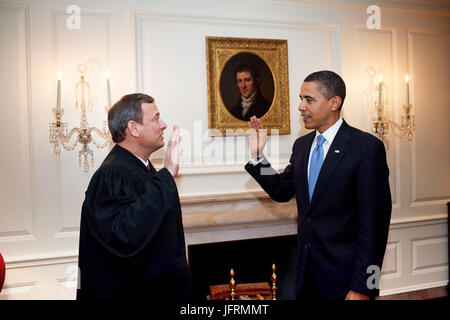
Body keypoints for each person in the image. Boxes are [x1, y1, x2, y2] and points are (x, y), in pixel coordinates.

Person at [245, 70, 392, 300]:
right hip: (306, 276)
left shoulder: (365, 148)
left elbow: (375, 227)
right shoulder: (302, 146)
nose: (301, 107)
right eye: (300, 99)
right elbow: (282, 190)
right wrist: (258, 157)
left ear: (335, 102)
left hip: (347, 281)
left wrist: (365, 286)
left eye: (309, 100)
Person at [77, 93, 193, 301]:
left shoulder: (143, 168)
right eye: (156, 118)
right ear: (133, 128)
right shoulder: (112, 174)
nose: (163, 124)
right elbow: (123, 235)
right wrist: (167, 174)